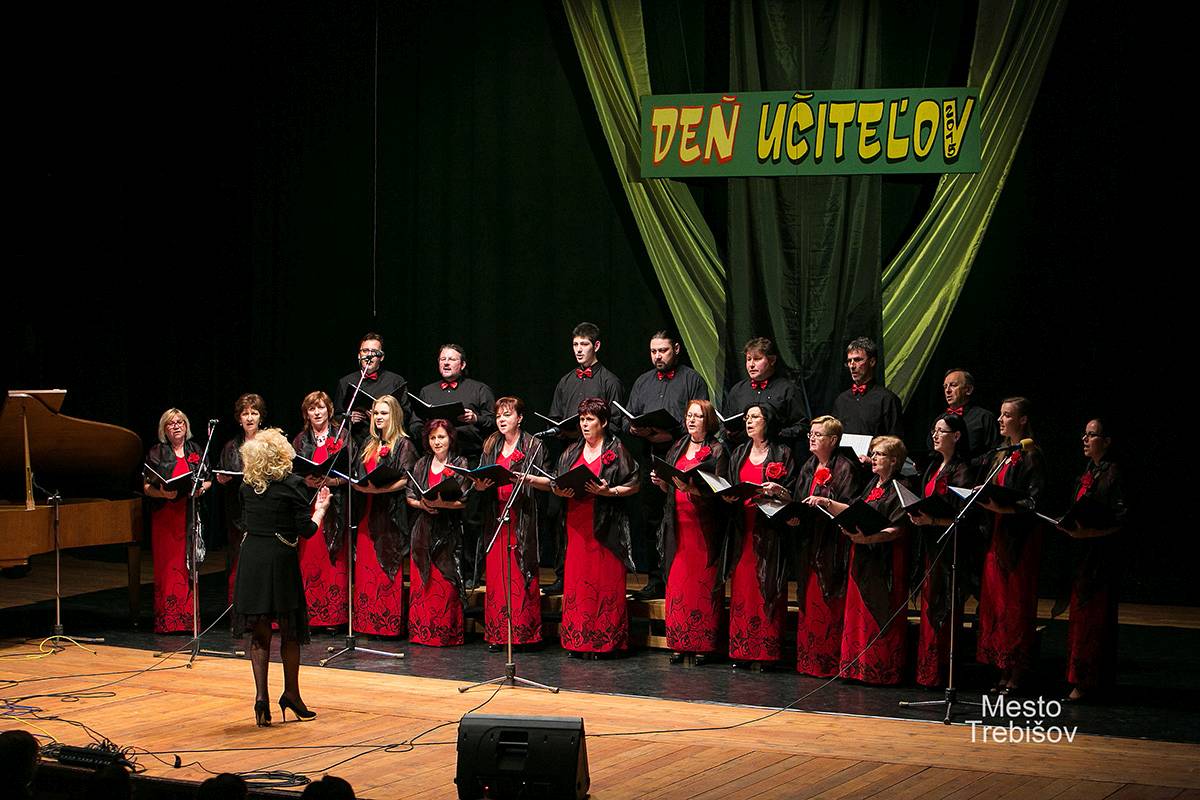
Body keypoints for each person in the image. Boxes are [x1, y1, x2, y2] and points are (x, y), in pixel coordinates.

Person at [233, 428, 331, 726]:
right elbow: (307, 530)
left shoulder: (247, 486)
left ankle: (261, 700)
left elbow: (245, 522)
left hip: (252, 559)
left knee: (259, 632)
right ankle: (291, 694)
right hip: (279, 560)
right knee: (289, 631)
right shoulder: (292, 485)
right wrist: (320, 510)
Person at [806, 435, 909, 684]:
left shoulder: (900, 486)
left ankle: (878, 670)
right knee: (857, 612)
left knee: (878, 609)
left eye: (879, 454)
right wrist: (827, 503)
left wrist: (870, 538)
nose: (873, 458)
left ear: (894, 460)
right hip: (862, 551)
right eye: (873, 453)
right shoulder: (872, 483)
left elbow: (899, 528)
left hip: (884, 559)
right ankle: (856, 668)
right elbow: (854, 509)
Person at [625, 330, 709, 601]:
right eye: (653, 351)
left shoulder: (692, 380)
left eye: (663, 350)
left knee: (681, 519)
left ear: (676, 349)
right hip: (651, 457)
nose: (657, 356)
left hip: (683, 458)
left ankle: (681, 576)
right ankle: (655, 580)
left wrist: (670, 435)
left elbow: (703, 419)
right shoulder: (643, 381)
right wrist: (638, 429)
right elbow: (628, 418)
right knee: (651, 520)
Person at [552, 398, 639, 657]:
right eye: (582, 419)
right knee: (579, 581)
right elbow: (556, 480)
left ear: (603, 422)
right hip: (577, 523)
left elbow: (634, 483)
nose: (585, 424)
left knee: (605, 580)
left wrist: (609, 491)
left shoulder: (616, 448)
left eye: (590, 419)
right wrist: (560, 490)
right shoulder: (571, 451)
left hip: (606, 525)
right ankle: (578, 641)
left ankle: (606, 642)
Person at [544, 323, 624, 596]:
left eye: (584, 344)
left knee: (595, 515)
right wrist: (561, 428)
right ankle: (562, 574)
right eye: (575, 345)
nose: (578, 350)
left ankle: (598, 573)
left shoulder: (609, 381)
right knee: (559, 513)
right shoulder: (565, 381)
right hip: (570, 454)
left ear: (596, 346)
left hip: (599, 456)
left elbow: (616, 422)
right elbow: (555, 417)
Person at [411, 344, 496, 590]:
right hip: (437, 459)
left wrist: (475, 418)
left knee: (470, 518)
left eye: (452, 359)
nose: (446, 363)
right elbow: (414, 424)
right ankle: (435, 567)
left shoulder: (478, 389)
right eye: (442, 359)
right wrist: (430, 427)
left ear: (463, 364)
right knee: (435, 513)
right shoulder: (427, 391)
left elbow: (494, 421)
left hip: (469, 459)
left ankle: (470, 571)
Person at [976, 397, 1045, 694]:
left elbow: (1034, 501)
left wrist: (1004, 508)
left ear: (1023, 420)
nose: (1000, 420)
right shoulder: (1002, 454)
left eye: (1007, 415)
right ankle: (1001, 667)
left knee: (1015, 604)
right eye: (1000, 415)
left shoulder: (1031, 455)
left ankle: (1016, 670)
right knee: (996, 602)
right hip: (997, 534)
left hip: (1019, 538)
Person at [650, 399, 727, 664]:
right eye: (689, 416)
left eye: (698, 416)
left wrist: (692, 489)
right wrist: (662, 481)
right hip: (678, 524)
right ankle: (680, 642)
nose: (691, 420)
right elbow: (670, 486)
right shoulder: (678, 446)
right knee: (679, 583)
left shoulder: (717, 450)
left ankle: (702, 644)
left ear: (709, 421)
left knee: (701, 584)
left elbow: (720, 493)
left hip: (703, 527)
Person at [473, 397, 551, 651]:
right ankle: (498, 633)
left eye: (507, 415)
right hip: (497, 517)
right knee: (498, 577)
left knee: (519, 574)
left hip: (522, 517)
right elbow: (479, 475)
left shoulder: (533, 445)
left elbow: (549, 482)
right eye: (498, 416)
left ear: (520, 418)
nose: (502, 420)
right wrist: (479, 485)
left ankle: (523, 634)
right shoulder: (491, 444)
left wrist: (529, 479)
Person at [723, 403, 795, 670]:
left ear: (768, 421)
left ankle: (766, 652)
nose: (749, 421)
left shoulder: (782, 453)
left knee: (767, 587)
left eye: (755, 417)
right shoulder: (739, 452)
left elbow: (792, 493)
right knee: (744, 589)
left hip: (769, 530)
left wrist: (778, 490)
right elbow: (731, 485)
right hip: (744, 529)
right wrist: (728, 497)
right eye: (746, 417)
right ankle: (742, 649)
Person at [1059, 417, 1126, 702]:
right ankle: (1080, 678)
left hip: (1101, 558)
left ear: (1107, 441)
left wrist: (1089, 532)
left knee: (1094, 620)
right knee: (1081, 618)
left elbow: (1121, 519)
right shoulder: (1089, 471)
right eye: (1084, 434)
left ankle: (1090, 681)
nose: (1085, 440)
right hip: (1083, 555)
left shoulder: (1113, 473)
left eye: (1092, 435)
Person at [791, 415, 863, 677]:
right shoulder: (809, 465)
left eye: (818, 434)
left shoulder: (845, 468)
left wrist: (825, 502)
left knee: (828, 601)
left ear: (833, 440)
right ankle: (808, 661)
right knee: (809, 600)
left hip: (833, 543)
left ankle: (829, 663)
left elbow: (852, 508)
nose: (811, 438)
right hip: (809, 541)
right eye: (810, 433)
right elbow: (799, 499)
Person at [907, 413, 974, 688]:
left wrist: (933, 520)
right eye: (933, 430)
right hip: (930, 544)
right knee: (929, 605)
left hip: (949, 548)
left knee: (944, 607)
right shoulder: (934, 465)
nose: (935, 435)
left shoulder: (962, 470)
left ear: (956, 436)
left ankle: (942, 673)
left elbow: (963, 516)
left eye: (941, 431)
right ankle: (927, 672)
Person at [350, 395, 417, 637]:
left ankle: (386, 625)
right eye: (376, 413)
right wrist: (359, 485)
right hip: (367, 511)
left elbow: (408, 478)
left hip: (390, 514)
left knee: (385, 566)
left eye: (384, 413)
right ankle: (365, 624)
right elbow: (357, 472)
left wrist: (379, 490)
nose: (379, 417)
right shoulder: (368, 443)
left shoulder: (404, 444)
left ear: (394, 415)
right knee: (366, 568)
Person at [143, 408, 211, 633]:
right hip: (166, 516)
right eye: (171, 423)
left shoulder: (195, 449)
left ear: (186, 425)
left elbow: (208, 478)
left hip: (189, 514)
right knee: (169, 566)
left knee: (189, 565)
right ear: (164, 429)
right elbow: (147, 486)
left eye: (180, 422)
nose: (176, 426)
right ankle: (169, 622)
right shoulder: (157, 452)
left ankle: (188, 620)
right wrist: (162, 494)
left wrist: (202, 489)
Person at [405, 419, 470, 646]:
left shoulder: (460, 462)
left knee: (445, 583)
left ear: (450, 438)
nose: (437, 442)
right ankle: (421, 633)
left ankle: (444, 634)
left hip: (448, 531)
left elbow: (464, 500)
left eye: (441, 437)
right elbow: (410, 495)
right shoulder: (422, 463)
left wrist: (443, 504)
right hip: (423, 530)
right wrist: (422, 505)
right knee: (424, 583)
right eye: (433, 438)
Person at [292, 391, 350, 628]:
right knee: (310, 558)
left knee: (333, 559)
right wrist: (305, 481)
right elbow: (292, 472)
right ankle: (310, 616)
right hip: (308, 505)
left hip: (335, 505)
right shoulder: (300, 440)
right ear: (306, 413)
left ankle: (333, 618)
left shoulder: (342, 435)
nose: (317, 413)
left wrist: (333, 481)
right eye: (312, 409)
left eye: (321, 408)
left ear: (329, 410)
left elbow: (353, 472)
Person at [216, 393, 264, 604]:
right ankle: (239, 608)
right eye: (245, 414)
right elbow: (223, 471)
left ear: (261, 417)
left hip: (264, 510)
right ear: (239, 418)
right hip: (238, 510)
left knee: (261, 559)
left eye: (254, 413)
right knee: (238, 557)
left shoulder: (270, 443)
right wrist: (222, 478)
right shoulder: (231, 446)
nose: (250, 418)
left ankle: (263, 607)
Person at [722, 337, 809, 449]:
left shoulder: (787, 389)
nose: (751, 365)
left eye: (757, 359)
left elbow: (802, 426)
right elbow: (725, 424)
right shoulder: (738, 390)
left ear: (772, 360)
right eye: (748, 359)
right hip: (743, 453)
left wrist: (776, 434)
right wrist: (728, 433)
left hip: (777, 453)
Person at [335, 332, 412, 443]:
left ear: (382, 357)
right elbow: (336, 417)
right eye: (365, 351)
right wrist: (349, 418)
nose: (369, 356)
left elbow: (406, 414)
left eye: (374, 352)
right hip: (355, 442)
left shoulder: (395, 381)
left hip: (386, 441)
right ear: (359, 355)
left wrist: (383, 416)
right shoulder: (345, 382)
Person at [831, 337, 903, 440]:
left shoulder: (887, 399)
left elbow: (895, 442)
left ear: (872, 362)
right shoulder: (841, 400)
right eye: (849, 361)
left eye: (857, 360)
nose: (852, 366)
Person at [938, 369, 999, 468]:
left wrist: (965, 466)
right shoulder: (940, 420)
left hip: (974, 474)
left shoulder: (985, 418)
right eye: (945, 386)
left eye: (953, 385)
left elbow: (994, 454)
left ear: (968, 390)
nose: (947, 390)